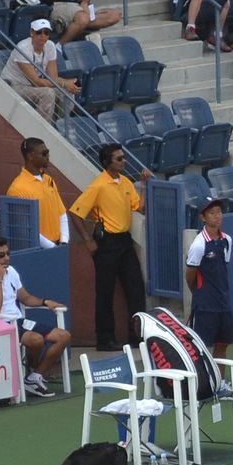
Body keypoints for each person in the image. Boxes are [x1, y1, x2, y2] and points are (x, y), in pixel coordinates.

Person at [0, 235, 69, 397]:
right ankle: (31, 375)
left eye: (8, 254)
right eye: (1, 256)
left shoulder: (12, 272)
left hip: (19, 322)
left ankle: (34, 376)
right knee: (36, 339)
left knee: (63, 336)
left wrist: (46, 302)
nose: (6, 259)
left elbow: (26, 298)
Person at [69, 142, 145, 350]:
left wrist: (144, 184)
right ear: (106, 162)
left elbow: (140, 207)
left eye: (123, 157)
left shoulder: (126, 183)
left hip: (124, 240)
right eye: (119, 158)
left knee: (136, 288)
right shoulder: (98, 185)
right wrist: (88, 240)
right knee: (105, 292)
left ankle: (137, 335)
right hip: (107, 242)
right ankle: (105, 338)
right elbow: (75, 213)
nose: (124, 161)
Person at [185, 197, 233, 358]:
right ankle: (203, 383)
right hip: (205, 306)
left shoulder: (227, 240)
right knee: (201, 349)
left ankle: (220, 383)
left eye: (219, 212)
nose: (217, 216)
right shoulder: (199, 245)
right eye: (212, 212)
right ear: (203, 217)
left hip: (223, 303)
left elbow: (222, 268)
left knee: (222, 346)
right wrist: (200, 293)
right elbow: (190, 275)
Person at [1, 16, 75, 122]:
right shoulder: (23, 48)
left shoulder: (50, 46)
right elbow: (36, 82)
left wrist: (67, 85)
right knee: (48, 93)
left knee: (68, 91)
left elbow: (53, 77)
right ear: (32, 33)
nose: (43, 36)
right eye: (39, 32)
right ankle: (43, 127)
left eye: (46, 33)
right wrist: (63, 83)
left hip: (32, 85)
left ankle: (60, 124)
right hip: (14, 85)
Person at [6, 136, 70, 247]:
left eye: (48, 153)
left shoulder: (49, 180)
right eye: (44, 154)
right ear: (30, 156)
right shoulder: (17, 188)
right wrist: (51, 247)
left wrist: (64, 241)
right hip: (38, 249)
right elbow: (25, 228)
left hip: (58, 245)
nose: (48, 157)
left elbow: (61, 213)